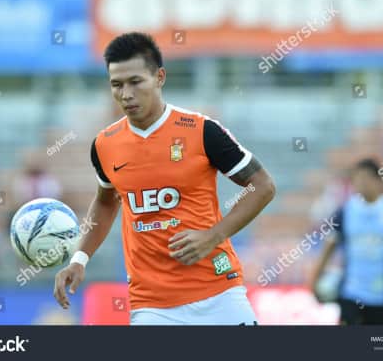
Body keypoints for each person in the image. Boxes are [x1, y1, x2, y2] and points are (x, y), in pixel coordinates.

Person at [53, 32, 276, 325]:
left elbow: (263, 186)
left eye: (135, 82)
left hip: (219, 291)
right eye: (117, 84)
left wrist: (214, 235)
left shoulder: (202, 131)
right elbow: (106, 202)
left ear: (159, 77)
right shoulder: (105, 145)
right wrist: (79, 259)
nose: (126, 94)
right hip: (152, 305)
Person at [309, 158, 383, 325]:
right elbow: (328, 248)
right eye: (357, 179)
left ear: (378, 181)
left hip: (380, 296)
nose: (361, 183)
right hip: (349, 293)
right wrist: (314, 279)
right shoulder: (345, 211)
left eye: (366, 178)